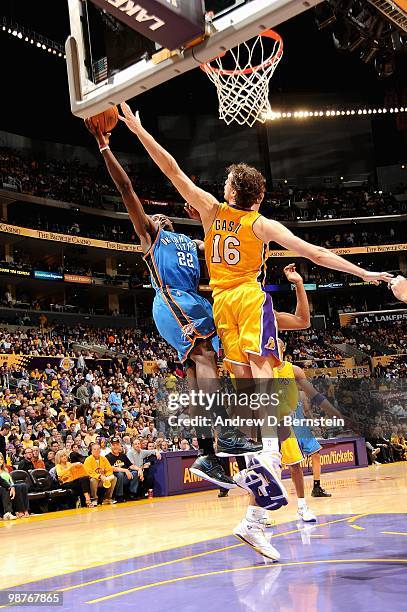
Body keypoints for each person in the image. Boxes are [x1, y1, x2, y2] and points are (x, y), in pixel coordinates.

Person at [119, 101, 392, 560]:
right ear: (258, 199)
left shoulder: (209, 210)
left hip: (220, 306)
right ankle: (258, 485)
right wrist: (367, 276)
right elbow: (315, 252)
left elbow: (169, 168)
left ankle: (252, 498)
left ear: (228, 190)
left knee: (253, 399)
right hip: (248, 298)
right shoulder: (259, 223)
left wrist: (139, 129)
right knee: (270, 398)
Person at [84, 118, 260, 490]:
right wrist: (104, 146)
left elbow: (222, 257)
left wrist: (213, 228)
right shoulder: (151, 236)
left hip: (197, 302)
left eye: (163, 215)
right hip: (171, 303)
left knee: (205, 373)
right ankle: (224, 437)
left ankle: (208, 454)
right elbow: (127, 187)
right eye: (153, 215)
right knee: (204, 358)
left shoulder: (190, 244)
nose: (159, 216)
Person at [0, 452, 29, 518]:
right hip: (2, 488)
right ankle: (19, 511)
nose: (0, 461)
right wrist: (10, 487)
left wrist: (11, 486)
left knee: (23, 485)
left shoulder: (5, 470)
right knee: (17, 487)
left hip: (8, 486)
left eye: (1, 459)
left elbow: (11, 481)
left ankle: (25, 510)